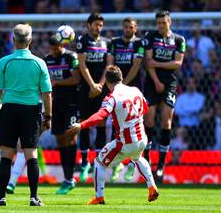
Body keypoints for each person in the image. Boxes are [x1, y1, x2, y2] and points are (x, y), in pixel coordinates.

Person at [67, 65, 158, 205]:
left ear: (107, 82)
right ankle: (152, 187)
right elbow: (145, 109)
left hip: (125, 142)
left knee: (99, 162)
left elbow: (100, 116)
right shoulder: (135, 90)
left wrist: (81, 124)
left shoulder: (112, 97)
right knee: (138, 158)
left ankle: (99, 197)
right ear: (121, 78)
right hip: (142, 139)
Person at [0, 24, 52, 207]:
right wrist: (48, 117)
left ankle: (1, 198)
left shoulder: (4, 61)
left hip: (9, 109)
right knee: (30, 154)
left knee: (7, 154)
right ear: (30, 40)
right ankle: (33, 198)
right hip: (31, 110)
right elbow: (47, 93)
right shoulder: (39, 63)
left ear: (13, 40)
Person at [144, 11, 186, 181]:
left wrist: (158, 63)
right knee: (150, 119)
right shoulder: (150, 37)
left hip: (169, 83)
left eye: (163, 22)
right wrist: (156, 81)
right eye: (158, 23)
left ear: (170, 22)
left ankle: (161, 165)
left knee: (166, 120)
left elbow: (178, 63)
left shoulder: (179, 40)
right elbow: (148, 62)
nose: (160, 26)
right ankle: (146, 161)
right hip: (152, 82)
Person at [76, 13, 113, 183]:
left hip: (101, 88)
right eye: (96, 24)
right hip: (85, 89)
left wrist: (100, 85)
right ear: (89, 25)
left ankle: (98, 161)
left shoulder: (107, 42)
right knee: (84, 123)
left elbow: (109, 65)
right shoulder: (82, 41)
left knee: (100, 124)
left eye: (101, 25)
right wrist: (92, 85)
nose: (98, 27)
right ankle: (84, 163)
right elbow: (82, 65)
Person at [108, 17, 145, 181]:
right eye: (125, 27)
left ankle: (132, 163)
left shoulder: (140, 44)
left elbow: (137, 66)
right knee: (116, 125)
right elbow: (111, 64)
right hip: (117, 90)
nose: (128, 29)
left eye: (131, 27)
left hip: (133, 89)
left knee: (136, 125)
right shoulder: (114, 42)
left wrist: (123, 85)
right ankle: (117, 165)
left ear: (135, 28)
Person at [44, 34, 80, 194]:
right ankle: (67, 179)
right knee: (59, 139)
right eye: (52, 48)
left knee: (70, 137)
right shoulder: (47, 59)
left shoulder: (71, 56)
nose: (54, 51)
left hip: (71, 103)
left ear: (62, 45)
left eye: (56, 48)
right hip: (55, 103)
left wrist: (57, 82)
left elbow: (76, 78)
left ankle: (71, 177)